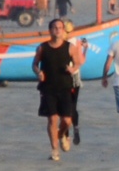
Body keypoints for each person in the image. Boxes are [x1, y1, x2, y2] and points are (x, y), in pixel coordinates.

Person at [35, 18, 84, 160]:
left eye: (60, 28)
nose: (58, 30)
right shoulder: (42, 47)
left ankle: (61, 134)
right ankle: (55, 150)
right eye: (55, 28)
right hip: (48, 88)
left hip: (65, 87)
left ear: (63, 31)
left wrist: (73, 69)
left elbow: (78, 62)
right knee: (52, 119)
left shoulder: (70, 47)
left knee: (67, 120)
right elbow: (35, 64)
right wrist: (38, 72)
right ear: (50, 31)